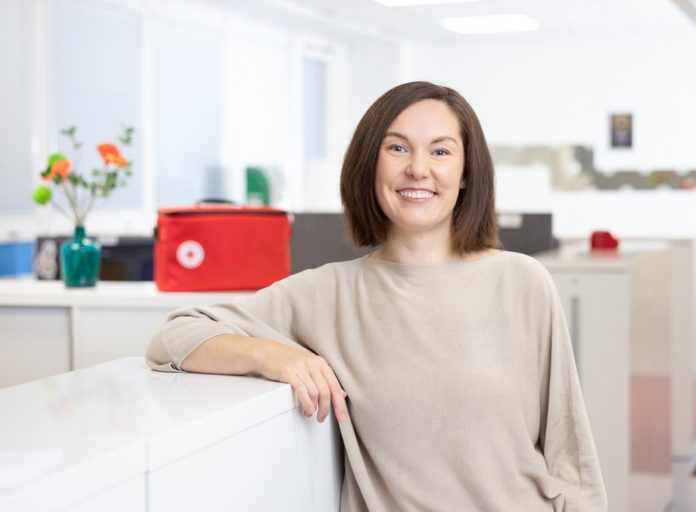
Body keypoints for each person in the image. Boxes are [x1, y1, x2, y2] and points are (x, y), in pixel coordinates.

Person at [146, 81, 607, 511]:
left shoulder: (522, 282)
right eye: (397, 147)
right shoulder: (329, 293)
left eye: (441, 151)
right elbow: (174, 337)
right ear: (371, 165)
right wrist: (271, 356)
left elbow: (573, 458)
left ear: (466, 173)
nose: (418, 168)